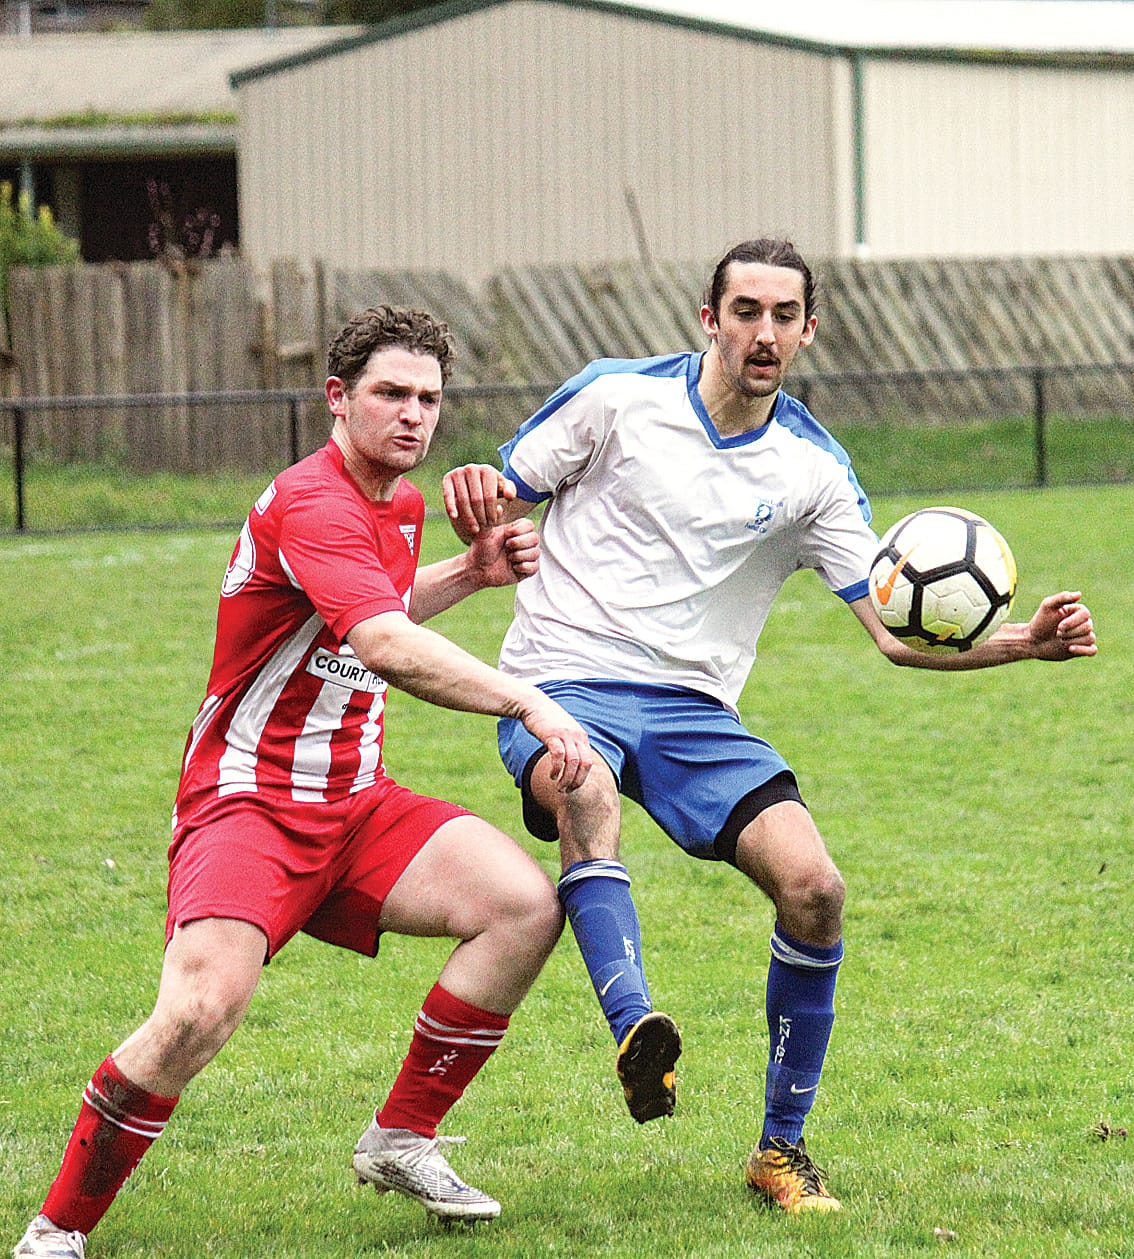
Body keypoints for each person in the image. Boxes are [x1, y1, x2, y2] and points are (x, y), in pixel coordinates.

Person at [441, 238, 1098, 1213]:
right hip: (562, 683)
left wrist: (1022, 643)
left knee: (817, 889)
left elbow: (894, 630)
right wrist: (470, 492)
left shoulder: (812, 470)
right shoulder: (616, 399)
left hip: (698, 715)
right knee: (584, 786)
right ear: (710, 319)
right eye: (745, 310)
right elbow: (498, 505)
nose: (764, 330)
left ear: (807, 330)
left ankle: (780, 1151)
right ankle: (636, 1029)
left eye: (783, 315)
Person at [13, 305, 595, 1259]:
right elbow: (382, 643)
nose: (414, 416)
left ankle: (401, 1137)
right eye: (391, 394)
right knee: (199, 1011)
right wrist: (525, 700)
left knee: (523, 904)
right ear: (337, 398)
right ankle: (57, 1227)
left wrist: (471, 570)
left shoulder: (399, 505)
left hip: (359, 802)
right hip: (249, 804)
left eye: (429, 399)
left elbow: (374, 601)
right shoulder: (314, 500)